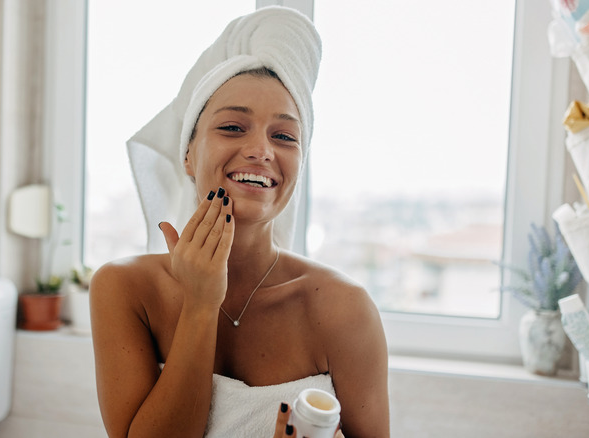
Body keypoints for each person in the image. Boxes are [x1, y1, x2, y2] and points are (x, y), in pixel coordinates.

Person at [90, 6, 389, 438]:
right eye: (232, 127)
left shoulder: (344, 310)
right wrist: (199, 304)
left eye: (284, 136)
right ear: (188, 155)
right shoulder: (125, 290)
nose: (261, 150)